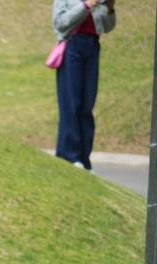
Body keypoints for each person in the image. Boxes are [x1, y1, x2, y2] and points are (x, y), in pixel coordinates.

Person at [52, 0, 116, 169]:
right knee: (71, 103)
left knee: (87, 104)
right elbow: (60, 23)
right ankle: (68, 156)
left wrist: (110, 9)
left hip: (92, 46)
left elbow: (107, 27)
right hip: (72, 46)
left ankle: (84, 160)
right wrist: (86, 5)